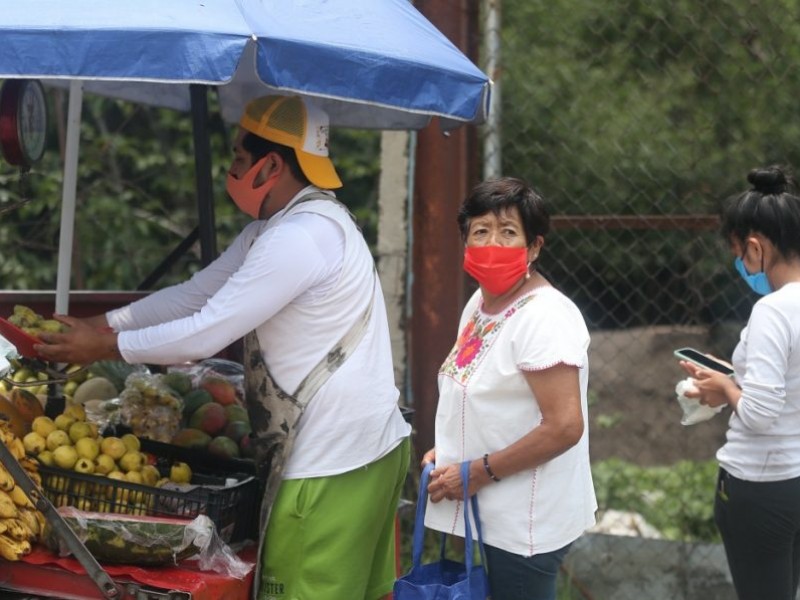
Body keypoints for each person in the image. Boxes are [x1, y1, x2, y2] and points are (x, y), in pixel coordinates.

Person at [35, 94, 412, 600]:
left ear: (271, 165)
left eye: (238, 158)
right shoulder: (290, 227)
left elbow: (208, 331)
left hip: (330, 463)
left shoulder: (298, 238)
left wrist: (102, 345)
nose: (231, 170)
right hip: (370, 452)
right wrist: (97, 323)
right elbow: (195, 294)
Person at [421, 177, 597, 600]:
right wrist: (448, 452)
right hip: (494, 512)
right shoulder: (480, 304)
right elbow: (477, 392)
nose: (492, 244)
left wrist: (479, 471)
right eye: (480, 231)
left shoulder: (546, 316)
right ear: (465, 242)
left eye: (508, 232)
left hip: (525, 522)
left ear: (534, 247)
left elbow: (564, 426)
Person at [678, 165, 800, 600]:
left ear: (755, 246)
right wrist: (733, 376)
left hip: (760, 484)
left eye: (738, 253)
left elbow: (762, 415)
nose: (740, 264)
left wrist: (729, 390)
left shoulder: (773, 310)